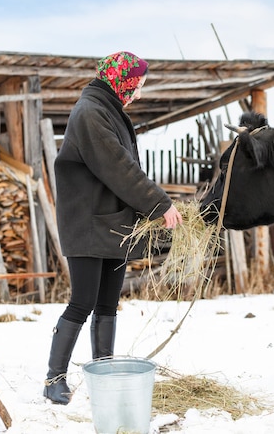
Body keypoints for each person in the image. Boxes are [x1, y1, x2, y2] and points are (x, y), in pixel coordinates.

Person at [43, 51, 183, 405]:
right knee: (82, 303)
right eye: (137, 85)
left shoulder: (108, 110)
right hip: (88, 227)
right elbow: (119, 167)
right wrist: (158, 203)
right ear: (122, 81)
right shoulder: (90, 112)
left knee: (107, 305)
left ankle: (101, 372)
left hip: (113, 226)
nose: (138, 93)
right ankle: (53, 380)